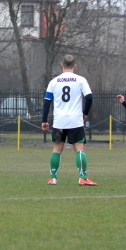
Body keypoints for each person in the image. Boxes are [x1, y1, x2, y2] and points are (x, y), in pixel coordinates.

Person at [42, 54, 97, 186]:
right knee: (79, 148)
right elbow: (89, 98)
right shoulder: (80, 80)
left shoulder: (54, 82)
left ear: (62, 64)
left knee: (56, 149)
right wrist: (85, 113)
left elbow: (47, 101)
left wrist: (44, 120)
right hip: (75, 120)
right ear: (75, 65)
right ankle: (82, 177)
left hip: (59, 120)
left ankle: (53, 178)